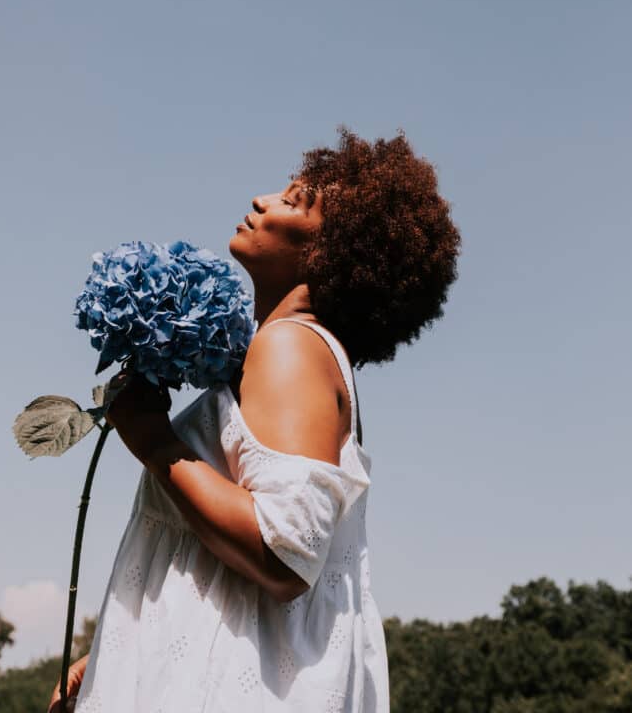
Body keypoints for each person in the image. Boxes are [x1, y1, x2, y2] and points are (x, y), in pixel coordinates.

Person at [48, 126, 460, 713]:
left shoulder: (290, 348)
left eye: (293, 201)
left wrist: (155, 443)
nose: (262, 201)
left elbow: (283, 551)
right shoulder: (292, 350)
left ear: (335, 253)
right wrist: (125, 654)